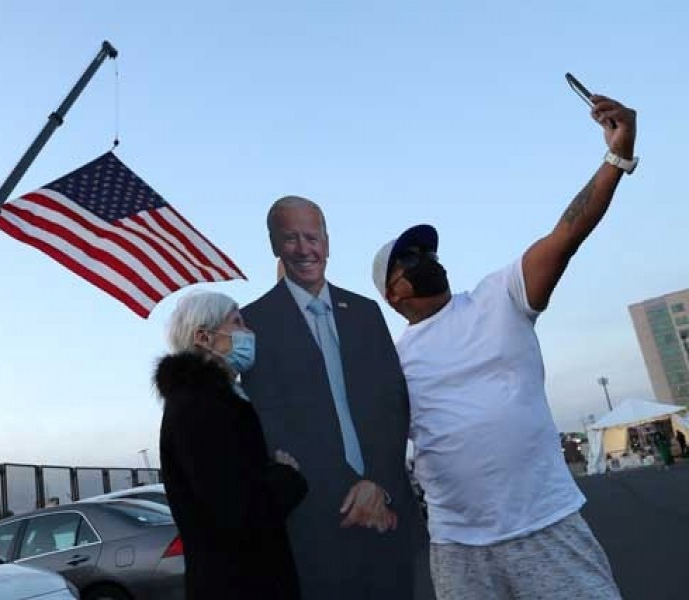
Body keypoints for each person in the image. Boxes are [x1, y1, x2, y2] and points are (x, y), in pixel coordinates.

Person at [371, 93, 635, 599]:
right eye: (412, 259)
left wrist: (616, 158)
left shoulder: (501, 296)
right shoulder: (393, 361)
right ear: (394, 293)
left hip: (547, 526)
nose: (428, 258)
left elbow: (567, 234)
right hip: (457, 548)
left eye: (429, 250)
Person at [242, 196, 426, 599]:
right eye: (291, 238)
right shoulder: (254, 322)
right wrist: (350, 492)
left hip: (388, 515)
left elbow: (393, 403)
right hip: (319, 527)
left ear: (327, 240)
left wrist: (377, 483)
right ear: (274, 245)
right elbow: (271, 420)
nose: (305, 249)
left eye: (313, 236)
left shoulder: (364, 312)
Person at [155, 291, 308, 600]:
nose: (248, 333)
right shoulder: (199, 409)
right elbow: (236, 510)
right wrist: (287, 478)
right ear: (203, 336)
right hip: (238, 586)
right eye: (237, 323)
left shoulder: (213, 401)